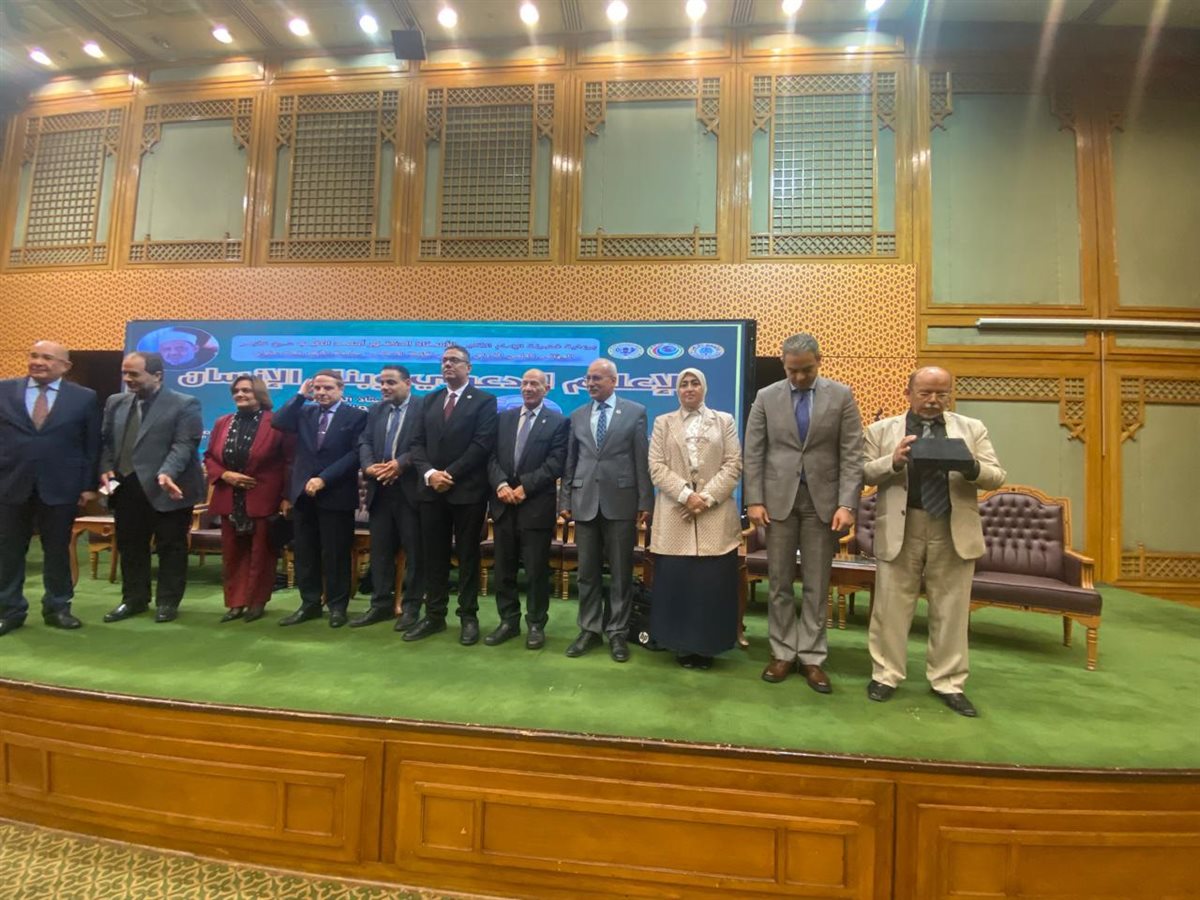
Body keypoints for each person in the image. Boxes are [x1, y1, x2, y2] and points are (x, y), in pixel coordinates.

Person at [862, 366, 1006, 717]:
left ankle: (949, 681)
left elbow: (996, 476)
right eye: (925, 393)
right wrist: (893, 460)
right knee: (890, 606)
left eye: (941, 394)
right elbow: (862, 472)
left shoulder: (971, 429)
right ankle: (886, 675)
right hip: (902, 525)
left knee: (951, 608)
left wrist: (970, 467)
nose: (933, 400)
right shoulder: (882, 430)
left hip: (951, 526)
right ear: (908, 393)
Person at [743, 333, 863, 692]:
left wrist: (847, 504)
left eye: (806, 370)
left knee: (816, 583)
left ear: (819, 361)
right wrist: (754, 500)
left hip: (823, 504)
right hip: (777, 503)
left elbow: (852, 453)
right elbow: (754, 452)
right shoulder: (766, 397)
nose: (799, 377)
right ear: (783, 363)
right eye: (792, 370)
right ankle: (782, 652)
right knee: (779, 581)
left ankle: (811, 656)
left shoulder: (841, 396)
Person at [0, 341, 100, 635]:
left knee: (57, 550)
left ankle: (58, 607)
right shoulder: (4, 390)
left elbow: (92, 445)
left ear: (65, 366)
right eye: (33, 355)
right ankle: (9, 610)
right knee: (8, 550)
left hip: (61, 486)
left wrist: (89, 486)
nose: (38, 362)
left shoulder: (84, 397)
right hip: (10, 482)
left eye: (47, 357)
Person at [99, 352, 206, 623]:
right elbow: (107, 442)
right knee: (130, 545)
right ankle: (133, 599)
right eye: (125, 373)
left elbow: (184, 444)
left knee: (171, 546)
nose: (127, 379)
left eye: (134, 374)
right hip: (126, 486)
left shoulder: (185, 403)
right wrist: (105, 467)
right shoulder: (115, 402)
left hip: (168, 487)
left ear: (157, 375)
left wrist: (167, 472)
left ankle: (167, 602)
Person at [647, 368, 742, 669]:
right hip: (676, 513)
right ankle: (680, 645)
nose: (689, 388)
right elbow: (656, 466)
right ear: (677, 390)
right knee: (679, 583)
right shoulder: (663, 422)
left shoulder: (724, 421)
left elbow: (733, 464)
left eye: (695, 383)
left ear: (704, 388)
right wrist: (687, 495)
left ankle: (708, 647)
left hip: (715, 514)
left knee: (710, 586)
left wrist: (706, 498)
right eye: (684, 384)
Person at [560, 358, 653, 663]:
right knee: (586, 572)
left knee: (621, 573)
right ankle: (589, 629)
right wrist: (565, 501)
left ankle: (617, 632)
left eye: (597, 378)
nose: (590, 383)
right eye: (588, 378)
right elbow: (570, 463)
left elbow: (641, 459)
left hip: (622, 502)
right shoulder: (577, 415)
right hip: (584, 501)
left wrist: (645, 501)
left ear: (614, 381)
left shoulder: (635, 412)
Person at [407, 345, 498, 645]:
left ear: (468, 367)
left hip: (467, 492)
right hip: (431, 491)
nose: (448, 365)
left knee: (468, 556)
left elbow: (482, 444)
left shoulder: (484, 401)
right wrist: (430, 474)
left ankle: (468, 616)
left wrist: (449, 474)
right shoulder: (429, 400)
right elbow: (416, 444)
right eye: (444, 360)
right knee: (433, 556)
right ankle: (434, 615)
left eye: (454, 361)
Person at [271, 370, 368, 628]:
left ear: (341, 389)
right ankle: (309, 604)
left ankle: (337, 607)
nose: (322, 393)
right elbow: (278, 422)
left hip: (336, 494)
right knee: (305, 553)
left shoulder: (356, 416)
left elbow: (355, 455)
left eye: (328, 388)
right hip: (303, 495)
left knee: (336, 554)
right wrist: (300, 396)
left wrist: (324, 478)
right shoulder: (305, 412)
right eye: (317, 388)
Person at [485, 369, 568, 650]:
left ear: (546, 389)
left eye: (534, 384)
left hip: (535, 507)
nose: (528, 388)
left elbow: (556, 462)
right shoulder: (504, 419)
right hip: (503, 505)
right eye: (524, 383)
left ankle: (535, 624)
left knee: (535, 572)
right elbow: (490, 457)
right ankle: (508, 621)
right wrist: (500, 484)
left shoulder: (558, 422)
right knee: (503, 570)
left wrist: (525, 487)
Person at [203, 375, 294, 623]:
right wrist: (225, 475)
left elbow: (290, 461)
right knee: (233, 553)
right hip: (229, 496)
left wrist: (286, 497)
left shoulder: (277, 423)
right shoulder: (222, 422)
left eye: (246, 390)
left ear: (259, 394)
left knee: (262, 554)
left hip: (264, 497)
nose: (240, 395)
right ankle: (235, 603)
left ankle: (256, 602)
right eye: (236, 391)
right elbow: (209, 457)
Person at [353, 364, 425, 630]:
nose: (384, 387)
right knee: (380, 552)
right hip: (380, 490)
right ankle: (380, 605)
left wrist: (400, 464)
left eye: (391, 382)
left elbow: (427, 443)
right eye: (382, 382)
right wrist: (369, 466)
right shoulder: (375, 410)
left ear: (408, 383)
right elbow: (364, 441)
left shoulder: (423, 408)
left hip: (410, 491)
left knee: (416, 554)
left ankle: (411, 607)